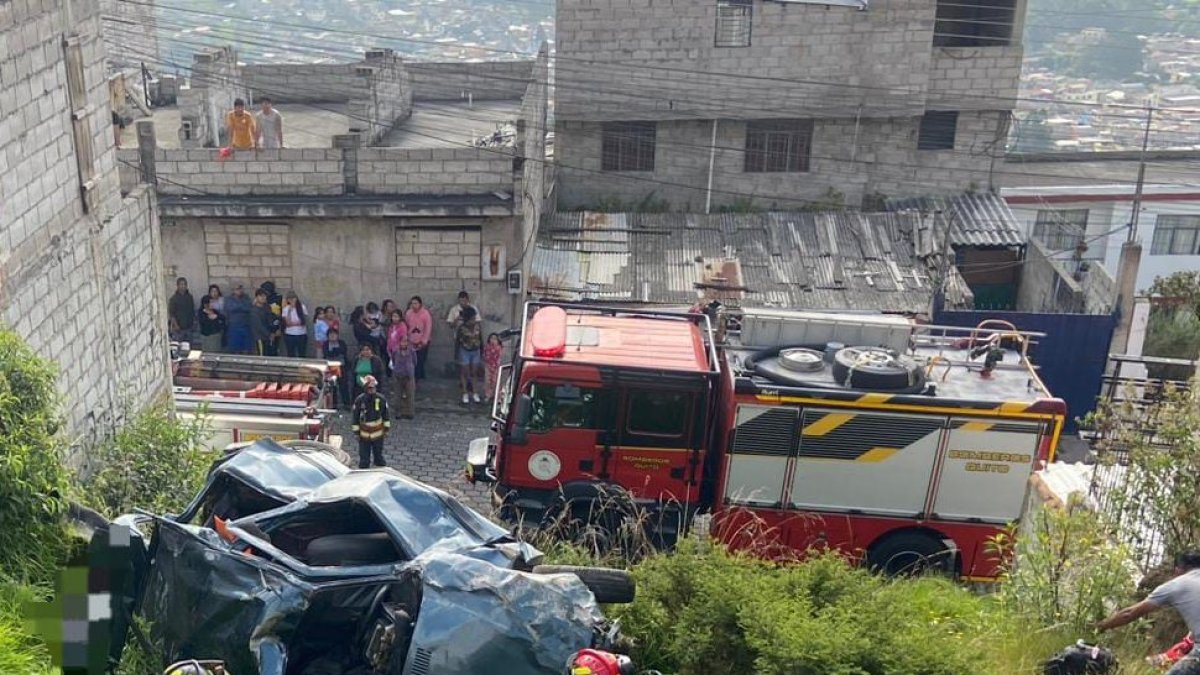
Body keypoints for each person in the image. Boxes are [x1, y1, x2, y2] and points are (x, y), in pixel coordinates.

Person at [1098, 550, 1200, 674]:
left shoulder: (1177, 584)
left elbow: (1128, 614)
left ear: (1178, 569)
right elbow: (1188, 642)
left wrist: (1102, 626)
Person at [351, 375, 390, 469]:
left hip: (378, 434)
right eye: (370, 388)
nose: (372, 390)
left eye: (373, 388)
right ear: (365, 388)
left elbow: (386, 415)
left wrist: (386, 430)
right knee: (364, 460)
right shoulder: (360, 400)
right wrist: (356, 433)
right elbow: (355, 417)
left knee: (379, 457)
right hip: (364, 435)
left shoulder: (381, 399)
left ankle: (381, 471)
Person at [455, 306, 484, 404]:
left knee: (474, 372)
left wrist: (482, 350)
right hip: (464, 351)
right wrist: (456, 354)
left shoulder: (477, 326)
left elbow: (480, 338)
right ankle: (465, 392)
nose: (474, 320)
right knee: (465, 372)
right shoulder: (461, 328)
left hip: (475, 351)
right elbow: (457, 341)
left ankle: (475, 392)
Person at [405, 296, 432, 381]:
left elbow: (428, 328)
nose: (414, 305)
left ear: (420, 304)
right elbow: (406, 326)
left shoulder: (425, 314)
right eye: (412, 303)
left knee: (420, 361)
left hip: (422, 342)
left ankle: (418, 379)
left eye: (416, 303)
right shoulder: (408, 313)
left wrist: (424, 341)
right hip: (411, 341)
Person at [391, 334, 417, 419]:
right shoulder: (395, 351)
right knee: (398, 395)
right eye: (402, 341)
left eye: (406, 342)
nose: (404, 344)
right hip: (398, 375)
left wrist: (410, 369)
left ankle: (409, 412)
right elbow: (393, 360)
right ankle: (398, 412)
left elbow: (414, 361)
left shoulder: (412, 351)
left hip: (409, 375)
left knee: (410, 395)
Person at [324, 327, 351, 406]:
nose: (332, 336)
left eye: (334, 334)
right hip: (330, 368)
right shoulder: (326, 344)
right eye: (330, 335)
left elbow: (343, 351)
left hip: (341, 366)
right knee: (332, 386)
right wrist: (336, 351)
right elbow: (327, 353)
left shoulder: (342, 342)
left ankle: (347, 404)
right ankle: (334, 404)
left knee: (344, 385)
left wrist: (334, 351)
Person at [224, 284, 253, 354]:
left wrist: (238, 306)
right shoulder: (228, 299)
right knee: (235, 348)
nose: (239, 291)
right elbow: (230, 308)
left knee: (246, 348)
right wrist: (241, 307)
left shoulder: (246, 297)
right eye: (237, 289)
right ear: (233, 290)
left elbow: (249, 308)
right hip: (234, 326)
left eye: (240, 288)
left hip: (245, 326)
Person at [168, 277, 196, 343]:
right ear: (177, 286)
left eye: (184, 284)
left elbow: (192, 311)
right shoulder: (173, 299)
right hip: (179, 328)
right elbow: (172, 314)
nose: (183, 286)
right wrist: (176, 325)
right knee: (179, 346)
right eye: (181, 284)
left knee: (189, 346)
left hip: (189, 327)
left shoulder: (189, 297)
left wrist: (194, 323)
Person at [281, 290, 308, 358]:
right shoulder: (286, 309)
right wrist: (290, 311)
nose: (292, 300)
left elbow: (303, 321)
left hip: (301, 334)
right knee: (291, 353)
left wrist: (294, 323)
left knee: (301, 353)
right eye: (290, 299)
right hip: (290, 334)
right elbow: (288, 323)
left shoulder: (302, 307)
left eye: (293, 298)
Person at [251, 288, 276, 356]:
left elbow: (271, 320)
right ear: (256, 297)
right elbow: (259, 326)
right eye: (261, 296)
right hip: (260, 337)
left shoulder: (267, 307)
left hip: (269, 336)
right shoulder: (254, 310)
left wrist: (273, 332)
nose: (263, 298)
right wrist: (269, 334)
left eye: (265, 296)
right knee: (261, 356)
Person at [483, 332, 503, 403]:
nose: (493, 340)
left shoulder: (499, 348)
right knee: (488, 381)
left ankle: (499, 397)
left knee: (496, 381)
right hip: (488, 366)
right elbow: (485, 356)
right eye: (491, 338)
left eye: (495, 339)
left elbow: (499, 357)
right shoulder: (487, 347)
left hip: (496, 367)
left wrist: (497, 365)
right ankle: (488, 395)